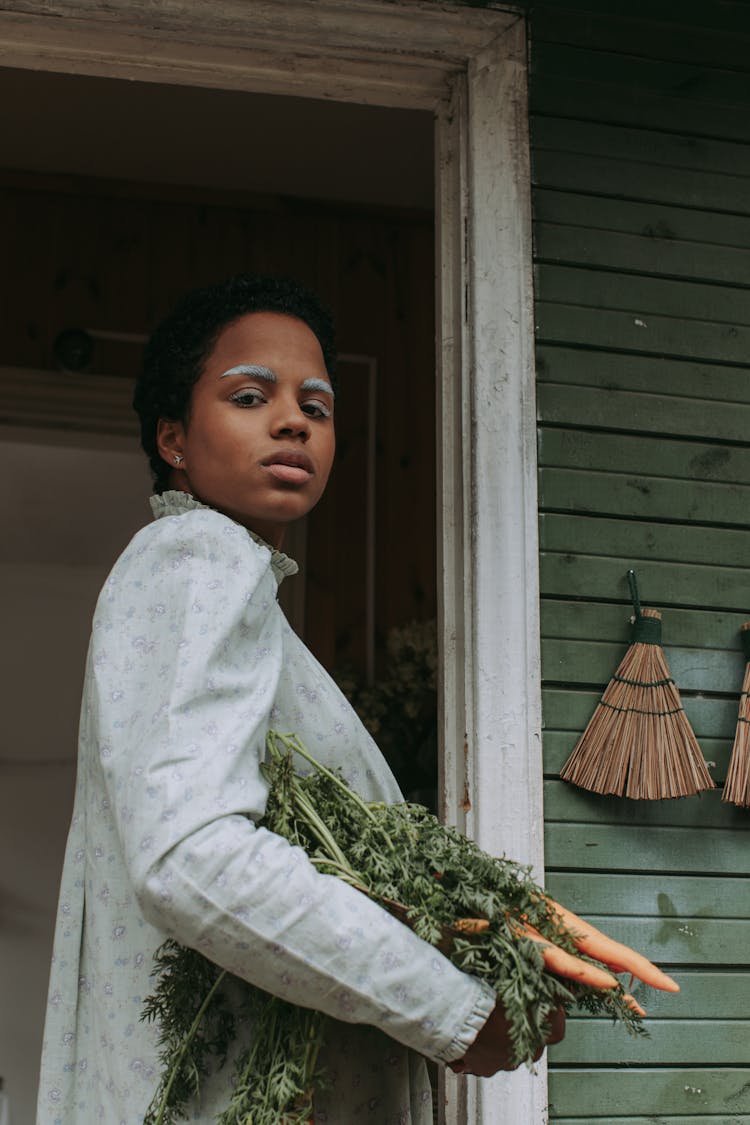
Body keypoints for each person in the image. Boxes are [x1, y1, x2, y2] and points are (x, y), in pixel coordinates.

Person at [36, 274, 564, 1124]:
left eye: (316, 406)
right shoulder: (197, 555)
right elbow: (193, 854)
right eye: (250, 396)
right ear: (173, 437)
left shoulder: (236, 594)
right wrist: (452, 1009)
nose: (293, 420)